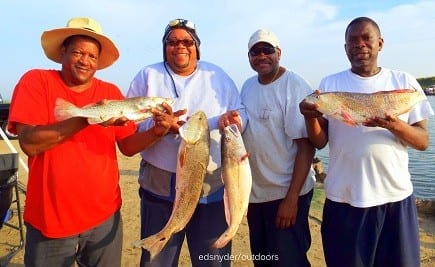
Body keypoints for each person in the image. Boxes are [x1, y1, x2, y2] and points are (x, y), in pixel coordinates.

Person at [7, 17, 176, 267]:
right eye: (77, 52)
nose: (85, 61)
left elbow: (128, 147)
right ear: (62, 51)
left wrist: (157, 132)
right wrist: (89, 117)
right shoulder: (36, 81)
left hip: (105, 216)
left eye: (92, 56)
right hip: (50, 219)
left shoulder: (111, 93)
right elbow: (30, 144)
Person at [299, 17, 434, 267]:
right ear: (345, 48)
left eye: (366, 38)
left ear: (380, 43)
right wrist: (310, 117)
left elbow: (423, 141)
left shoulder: (403, 82)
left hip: (395, 198)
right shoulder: (330, 84)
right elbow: (320, 141)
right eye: (352, 40)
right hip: (344, 200)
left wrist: (392, 124)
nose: (359, 44)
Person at [126, 18, 246, 267]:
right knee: (157, 260)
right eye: (172, 42)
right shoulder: (148, 75)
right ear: (164, 47)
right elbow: (131, 128)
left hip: (209, 187)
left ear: (196, 46)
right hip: (159, 186)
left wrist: (233, 120)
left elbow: (241, 113)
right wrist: (159, 128)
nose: (179, 46)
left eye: (187, 41)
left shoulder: (218, 76)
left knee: (211, 259)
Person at [240, 29, 316, 266]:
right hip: (256, 195)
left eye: (267, 50)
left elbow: (306, 146)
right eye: (255, 52)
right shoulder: (247, 86)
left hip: (287, 193)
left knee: (289, 259)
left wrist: (291, 199)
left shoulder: (294, 85)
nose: (261, 56)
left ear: (279, 53)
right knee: (263, 259)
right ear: (249, 57)